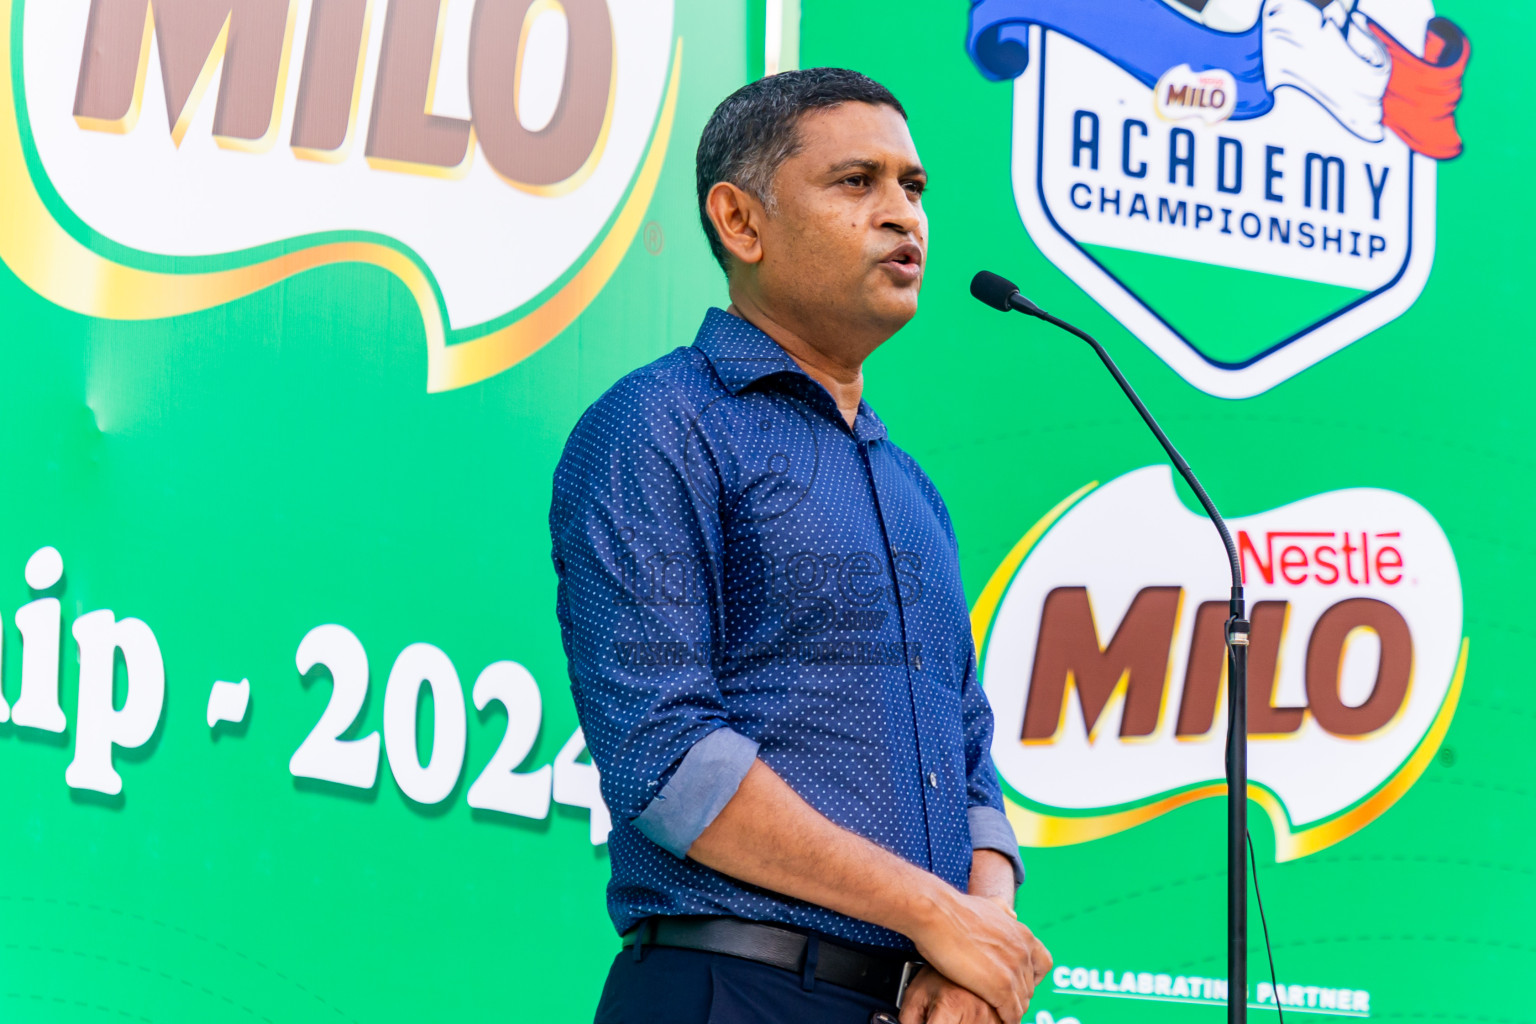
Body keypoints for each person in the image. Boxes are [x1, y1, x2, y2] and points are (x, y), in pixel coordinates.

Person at [549, 68, 1051, 1024]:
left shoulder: (912, 490)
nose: (903, 215)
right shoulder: (661, 427)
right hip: (730, 990)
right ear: (741, 223)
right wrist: (934, 912)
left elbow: (969, 757)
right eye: (857, 182)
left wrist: (978, 948)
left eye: (915, 186)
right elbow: (667, 759)